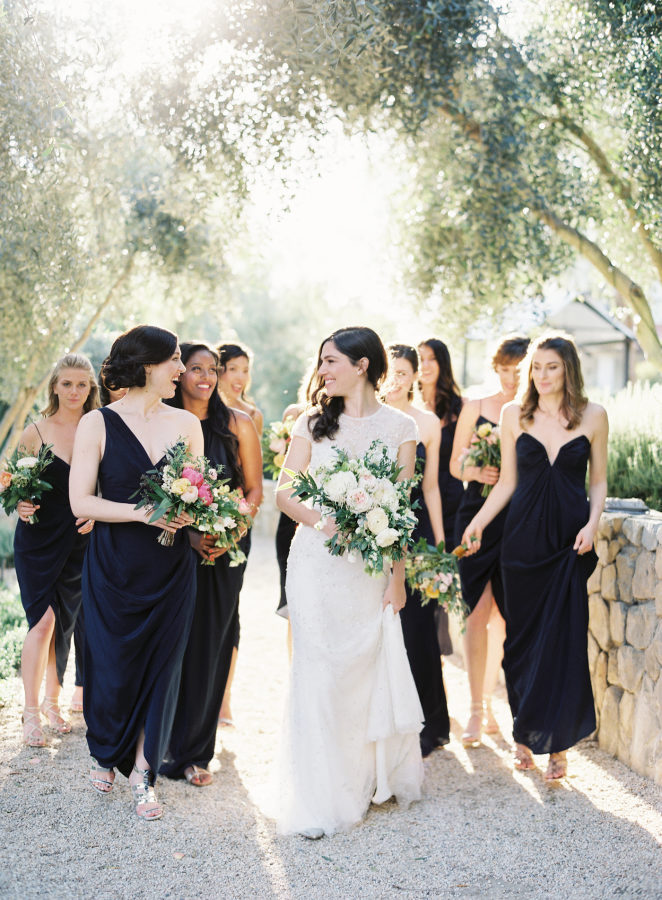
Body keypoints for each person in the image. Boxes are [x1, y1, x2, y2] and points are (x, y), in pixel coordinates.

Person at [276, 326, 424, 838]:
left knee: (360, 671)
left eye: (332, 361)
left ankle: (360, 780)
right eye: (321, 361)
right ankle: (319, 795)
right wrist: (323, 521)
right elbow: (284, 493)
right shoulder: (313, 423)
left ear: (362, 366)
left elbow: (402, 511)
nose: (323, 371)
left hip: (367, 570)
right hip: (316, 561)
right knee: (318, 668)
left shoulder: (401, 427)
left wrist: (397, 578)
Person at [70, 325, 203, 821]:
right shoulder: (98, 424)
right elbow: (80, 500)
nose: (180, 370)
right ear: (148, 365)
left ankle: (144, 772)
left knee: (163, 668)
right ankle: (106, 751)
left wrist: (197, 513)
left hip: (171, 565)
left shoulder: (187, 424)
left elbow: (197, 490)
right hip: (113, 565)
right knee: (112, 661)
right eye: (174, 360)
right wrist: (145, 512)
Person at [461, 332, 607, 781]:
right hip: (521, 543)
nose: (543, 376)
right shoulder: (512, 415)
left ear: (568, 369)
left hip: (568, 543)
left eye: (552, 367)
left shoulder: (594, 416)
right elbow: (507, 482)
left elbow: (598, 481)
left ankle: (558, 746)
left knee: (563, 642)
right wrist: (479, 522)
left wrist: (592, 524)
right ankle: (524, 733)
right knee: (521, 645)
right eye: (537, 367)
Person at [160, 342, 262, 786]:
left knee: (211, 644)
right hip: (171, 548)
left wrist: (231, 531)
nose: (205, 376)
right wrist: (189, 533)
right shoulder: (163, 425)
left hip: (225, 551)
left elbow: (255, 491)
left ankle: (196, 752)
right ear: (179, 374)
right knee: (169, 641)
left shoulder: (237, 423)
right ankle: (157, 741)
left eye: (212, 369)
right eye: (195, 368)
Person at [13, 354, 98, 747]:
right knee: (42, 622)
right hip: (37, 539)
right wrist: (20, 503)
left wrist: (98, 513)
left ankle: (52, 702)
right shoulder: (36, 430)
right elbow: (10, 479)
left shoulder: (98, 428)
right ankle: (30, 713)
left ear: (91, 388)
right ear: (54, 387)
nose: (75, 391)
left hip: (80, 539)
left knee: (62, 623)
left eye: (82, 384)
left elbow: (109, 484)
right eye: (67, 384)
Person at [450, 334, 530, 747]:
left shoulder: (534, 412)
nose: (512, 378)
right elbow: (454, 463)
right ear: (495, 368)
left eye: (519, 371)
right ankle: (476, 710)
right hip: (476, 516)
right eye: (505, 370)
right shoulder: (477, 407)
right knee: (476, 613)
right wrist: (475, 471)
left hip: (517, 520)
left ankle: (492, 699)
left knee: (504, 617)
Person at [385, 344, 450, 757]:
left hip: (417, 528)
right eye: (390, 372)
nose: (396, 379)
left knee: (419, 627)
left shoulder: (428, 422)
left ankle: (429, 724)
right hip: (375, 528)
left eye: (404, 372)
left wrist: (440, 548)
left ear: (416, 377)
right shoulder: (369, 416)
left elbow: (430, 487)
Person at [70, 370, 129, 714]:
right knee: (84, 615)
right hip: (80, 522)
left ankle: (97, 687)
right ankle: (81, 683)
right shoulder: (94, 421)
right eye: (114, 382)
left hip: (108, 525)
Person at [216, 341, 264, 724]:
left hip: (235, 525)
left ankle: (225, 694)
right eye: (233, 368)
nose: (240, 377)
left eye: (245, 370)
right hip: (195, 523)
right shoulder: (187, 413)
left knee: (229, 609)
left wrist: (237, 523)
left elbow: (252, 481)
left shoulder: (250, 416)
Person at [418, 339, 464, 657]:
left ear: (443, 363)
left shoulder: (460, 407)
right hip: (415, 504)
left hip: (451, 508)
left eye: (432, 358)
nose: (425, 365)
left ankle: (437, 667)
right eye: (420, 358)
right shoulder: (403, 404)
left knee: (439, 585)